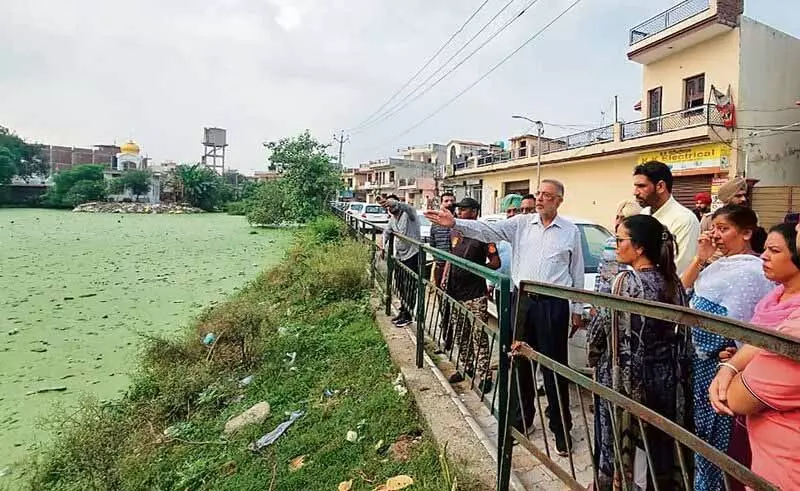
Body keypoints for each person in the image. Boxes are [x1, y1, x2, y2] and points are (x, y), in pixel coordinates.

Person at [425, 179, 584, 455]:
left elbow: (577, 272)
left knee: (554, 367)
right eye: (539, 194)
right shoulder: (521, 225)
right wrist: (455, 224)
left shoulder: (570, 232)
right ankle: (523, 421)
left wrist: (578, 309)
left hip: (553, 305)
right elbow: (488, 229)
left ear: (559, 199)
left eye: (547, 195)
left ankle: (561, 429)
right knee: (519, 362)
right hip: (522, 302)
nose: (541, 199)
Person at [586, 214, 692, 490]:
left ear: (640, 247)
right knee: (655, 446)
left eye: (620, 240)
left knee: (619, 445)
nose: (616, 245)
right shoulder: (673, 282)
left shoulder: (625, 283)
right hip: (664, 379)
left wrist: (594, 356)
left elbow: (599, 333)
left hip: (626, 380)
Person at [680, 205, 774, 491]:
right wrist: (700, 259)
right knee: (703, 438)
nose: (716, 235)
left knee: (723, 444)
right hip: (702, 366)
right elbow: (682, 295)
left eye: (724, 229)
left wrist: (731, 350)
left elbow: (749, 325)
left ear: (746, 233)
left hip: (729, 369)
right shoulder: (717, 265)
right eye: (715, 228)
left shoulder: (754, 272)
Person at [709, 223, 800, 491]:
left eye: (774, 250)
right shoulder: (773, 298)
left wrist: (735, 371)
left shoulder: (792, 333)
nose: (765, 257)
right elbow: (762, 340)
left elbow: (736, 397)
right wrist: (731, 365)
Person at [441, 197, 500, 392]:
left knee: (479, 336)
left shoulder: (483, 234)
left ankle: (485, 375)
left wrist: (476, 269)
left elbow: (496, 262)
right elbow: (451, 255)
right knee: (461, 334)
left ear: (474, 212)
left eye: (464, 210)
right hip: (455, 291)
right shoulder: (455, 232)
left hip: (475, 294)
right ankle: (466, 368)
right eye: (459, 210)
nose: (459, 212)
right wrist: (444, 276)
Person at [633, 160, 700, 275]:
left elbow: (679, 270)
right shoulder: (643, 214)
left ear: (660, 186)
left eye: (641, 186)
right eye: (635, 186)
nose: (635, 192)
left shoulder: (684, 220)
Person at [379, 195, 422, 328]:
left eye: (392, 205)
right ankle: (403, 311)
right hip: (400, 256)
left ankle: (408, 315)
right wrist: (382, 246)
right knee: (400, 286)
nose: (390, 208)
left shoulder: (409, 214)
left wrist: (391, 201)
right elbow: (386, 232)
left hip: (412, 255)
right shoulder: (393, 219)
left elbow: (406, 206)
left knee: (409, 286)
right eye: (387, 206)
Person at [595, 199, 642, 293]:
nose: (618, 222)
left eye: (623, 219)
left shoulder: (637, 245)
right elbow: (601, 273)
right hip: (605, 295)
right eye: (617, 217)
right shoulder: (609, 242)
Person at [431, 192, 456, 286]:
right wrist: (437, 259)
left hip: (455, 266)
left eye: (452, 201)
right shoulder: (436, 223)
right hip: (440, 264)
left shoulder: (460, 222)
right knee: (440, 292)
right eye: (446, 201)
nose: (449, 203)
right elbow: (432, 243)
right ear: (442, 204)